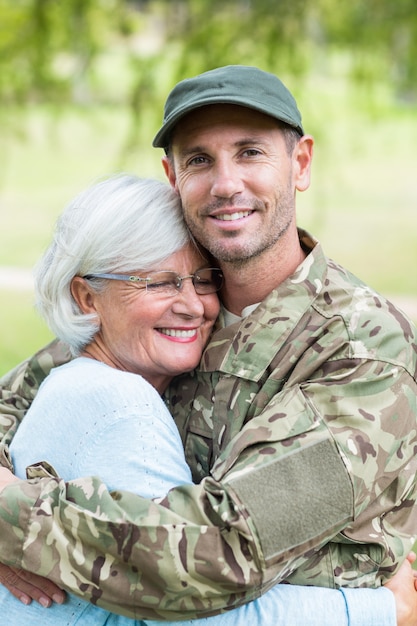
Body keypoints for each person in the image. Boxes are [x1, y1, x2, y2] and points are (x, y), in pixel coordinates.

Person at [0, 65, 417, 625]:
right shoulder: (173, 313)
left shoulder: (360, 349)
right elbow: (15, 400)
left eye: (250, 152)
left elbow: (225, 552)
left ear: (300, 164)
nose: (225, 184)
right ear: (172, 176)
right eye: (199, 159)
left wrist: (17, 523)